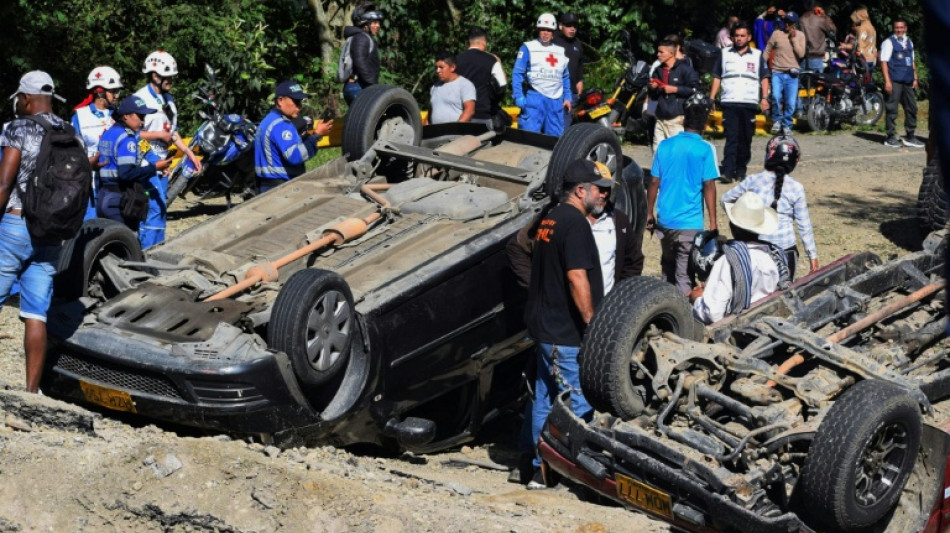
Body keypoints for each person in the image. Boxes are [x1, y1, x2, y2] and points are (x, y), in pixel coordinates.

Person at [518, 158, 610, 489]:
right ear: (581, 190)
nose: (603, 196)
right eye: (600, 190)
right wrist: (592, 325)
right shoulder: (575, 224)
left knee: (544, 399)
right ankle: (567, 473)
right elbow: (576, 277)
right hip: (565, 334)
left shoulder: (550, 218)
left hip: (545, 328)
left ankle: (540, 470)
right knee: (577, 403)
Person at [0, 71, 79, 393]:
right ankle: (32, 392)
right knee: (35, 314)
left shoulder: (17, 129)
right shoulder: (70, 131)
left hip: (17, 225)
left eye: (19, 98)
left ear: (28, 98)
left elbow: (4, 183)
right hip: (54, 231)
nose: (18, 104)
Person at [648, 94, 719, 294]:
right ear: (704, 126)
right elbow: (709, 186)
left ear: (683, 120)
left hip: (665, 220)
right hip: (690, 223)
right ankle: (684, 316)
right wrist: (713, 222)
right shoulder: (705, 149)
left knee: (667, 267)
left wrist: (649, 213)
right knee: (685, 273)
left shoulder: (665, 145)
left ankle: (665, 307)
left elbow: (654, 181)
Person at [721, 135, 818, 280]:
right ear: (794, 161)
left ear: (769, 155)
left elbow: (725, 199)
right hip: (787, 252)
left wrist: (741, 219)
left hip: (758, 248)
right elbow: (804, 226)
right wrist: (813, 257)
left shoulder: (753, 181)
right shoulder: (796, 188)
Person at [133, 50, 201, 249]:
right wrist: (154, 154)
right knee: (151, 208)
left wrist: (190, 154)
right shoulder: (140, 99)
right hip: (146, 164)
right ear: (155, 76)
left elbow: (173, 133)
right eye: (168, 76)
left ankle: (159, 250)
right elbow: (135, 136)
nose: (171, 80)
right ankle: (144, 253)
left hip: (164, 164)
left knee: (161, 209)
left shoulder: (169, 100)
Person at [690, 192, 791, 324]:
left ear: (732, 227)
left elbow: (713, 314)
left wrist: (697, 299)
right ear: (760, 229)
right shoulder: (774, 256)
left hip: (739, 329)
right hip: (769, 320)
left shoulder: (728, 261)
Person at [97, 95, 171, 232]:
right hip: (119, 201)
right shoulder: (127, 139)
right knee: (127, 247)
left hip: (103, 197)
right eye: (140, 116)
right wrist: (154, 168)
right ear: (126, 116)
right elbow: (126, 174)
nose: (143, 121)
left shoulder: (109, 133)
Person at [710, 21, 771, 183]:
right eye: (736, 36)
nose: (739, 39)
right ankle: (728, 171)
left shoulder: (757, 55)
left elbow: (764, 78)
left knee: (746, 138)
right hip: (729, 101)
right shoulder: (724, 54)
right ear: (732, 37)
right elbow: (717, 77)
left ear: (749, 37)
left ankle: (741, 169)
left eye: (742, 36)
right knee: (731, 137)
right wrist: (711, 98)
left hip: (749, 102)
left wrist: (764, 98)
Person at [254, 81, 333, 193]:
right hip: (281, 189)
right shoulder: (281, 125)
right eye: (296, 102)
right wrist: (316, 136)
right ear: (280, 100)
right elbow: (295, 157)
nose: (300, 107)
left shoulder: (267, 121)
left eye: (300, 102)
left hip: (266, 186)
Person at [72, 66, 122, 220]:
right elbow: (72, 152)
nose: (117, 95)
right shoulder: (79, 116)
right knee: (91, 229)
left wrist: (152, 161)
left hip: (117, 182)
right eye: (113, 91)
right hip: (90, 184)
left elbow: (138, 138)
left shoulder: (121, 114)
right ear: (100, 92)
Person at [512, 12, 571, 136]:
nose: (545, 33)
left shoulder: (560, 52)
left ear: (553, 33)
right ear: (538, 30)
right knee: (529, 137)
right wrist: (518, 95)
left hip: (555, 100)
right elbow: (517, 73)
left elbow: (565, 77)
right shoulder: (528, 48)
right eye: (543, 29)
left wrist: (567, 97)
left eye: (549, 30)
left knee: (555, 139)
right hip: (535, 97)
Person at [648, 38, 699, 151]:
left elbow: (694, 89)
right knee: (658, 152)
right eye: (658, 51)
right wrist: (652, 88)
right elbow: (653, 95)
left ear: (671, 53)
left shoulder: (685, 69)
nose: (658, 55)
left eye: (661, 52)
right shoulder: (658, 70)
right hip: (660, 117)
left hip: (677, 117)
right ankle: (659, 169)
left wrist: (675, 89)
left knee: (675, 152)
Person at [881, 19, 924, 149]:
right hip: (895, 81)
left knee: (912, 108)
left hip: (908, 80)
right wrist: (887, 81)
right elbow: (883, 62)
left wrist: (915, 78)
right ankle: (890, 137)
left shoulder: (909, 42)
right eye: (896, 28)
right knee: (892, 109)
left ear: (905, 28)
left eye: (901, 28)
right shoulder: (889, 43)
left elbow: (912, 61)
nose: (899, 30)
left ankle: (910, 136)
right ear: (894, 29)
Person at [455, 27, 508, 130]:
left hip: (461, 115)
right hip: (483, 114)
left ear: (469, 42)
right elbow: (502, 87)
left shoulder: (456, 60)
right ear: (484, 41)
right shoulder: (491, 60)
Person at [764, 12, 806, 135]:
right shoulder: (777, 34)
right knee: (776, 97)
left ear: (795, 24)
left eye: (790, 22)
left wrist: (793, 39)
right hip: (777, 71)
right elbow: (767, 50)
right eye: (786, 21)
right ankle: (777, 120)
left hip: (792, 74)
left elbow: (801, 54)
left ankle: (787, 124)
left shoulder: (800, 35)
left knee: (791, 102)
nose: (787, 24)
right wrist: (762, 66)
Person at [342, 3, 384, 105]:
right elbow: (360, 62)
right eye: (374, 23)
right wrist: (372, 84)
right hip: (358, 87)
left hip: (357, 87)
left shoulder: (361, 37)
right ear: (365, 25)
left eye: (378, 23)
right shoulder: (361, 38)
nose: (378, 26)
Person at [428, 51, 476, 124]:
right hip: (436, 134)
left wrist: (455, 128)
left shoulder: (465, 85)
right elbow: (430, 114)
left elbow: (469, 111)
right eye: (436, 67)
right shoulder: (435, 87)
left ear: (452, 67)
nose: (437, 71)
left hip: (456, 133)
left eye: (441, 67)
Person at [553, 12, 584, 128]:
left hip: (571, 92)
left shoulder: (577, 43)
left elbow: (580, 65)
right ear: (561, 26)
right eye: (569, 26)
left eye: (575, 26)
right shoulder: (553, 40)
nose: (572, 29)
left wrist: (580, 80)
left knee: (566, 124)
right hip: (554, 91)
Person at [799, 1, 836, 73]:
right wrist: (825, 16)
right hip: (816, 58)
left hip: (803, 58)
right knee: (817, 83)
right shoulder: (820, 20)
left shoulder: (801, 20)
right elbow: (833, 30)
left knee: (802, 82)